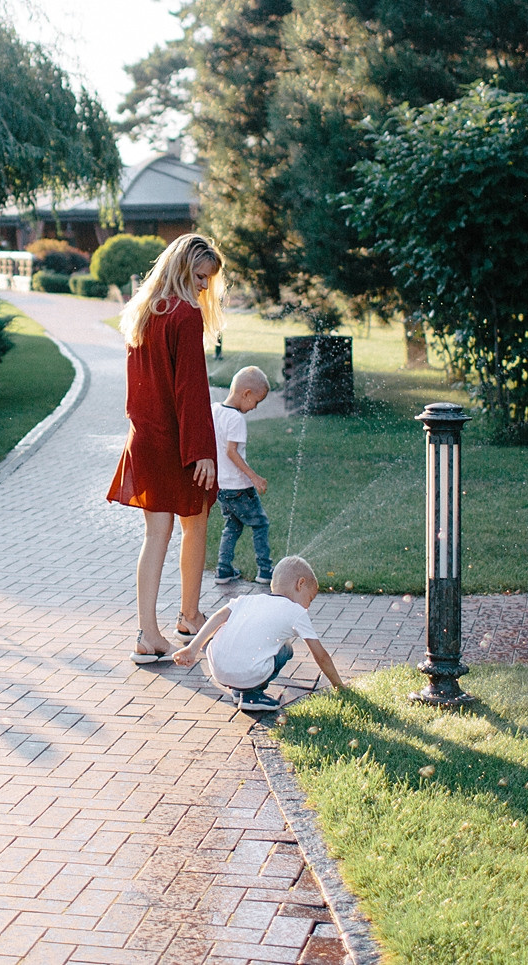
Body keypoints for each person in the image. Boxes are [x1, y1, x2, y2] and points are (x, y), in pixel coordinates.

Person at [108, 232, 223, 663]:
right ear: (181, 269)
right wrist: (202, 451)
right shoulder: (185, 314)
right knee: (196, 522)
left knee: (156, 534)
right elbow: (190, 390)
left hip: (145, 437)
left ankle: (147, 633)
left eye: (208, 279)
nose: (204, 287)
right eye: (200, 276)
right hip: (176, 442)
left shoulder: (144, 312)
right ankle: (189, 615)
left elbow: (138, 388)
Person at [174, 555, 342, 713]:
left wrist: (193, 648)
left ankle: (240, 690)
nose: (307, 607)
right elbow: (320, 655)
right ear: (300, 584)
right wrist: (339, 686)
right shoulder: (296, 612)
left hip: (218, 669)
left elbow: (217, 618)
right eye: (309, 599)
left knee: (241, 637)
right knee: (286, 650)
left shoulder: (246, 600)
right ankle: (252, 696)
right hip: (247, 674)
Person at [212, 366, 272, 585]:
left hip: (222, 487)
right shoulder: (236, 418)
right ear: (246, 394)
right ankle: (265, 570)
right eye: (256, 402)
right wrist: (253, 477)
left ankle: (223, 569)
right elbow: (231, 452)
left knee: (233, 526)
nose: (255, 407)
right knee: (260, 524)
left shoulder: (215, 410)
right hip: (239, 487)